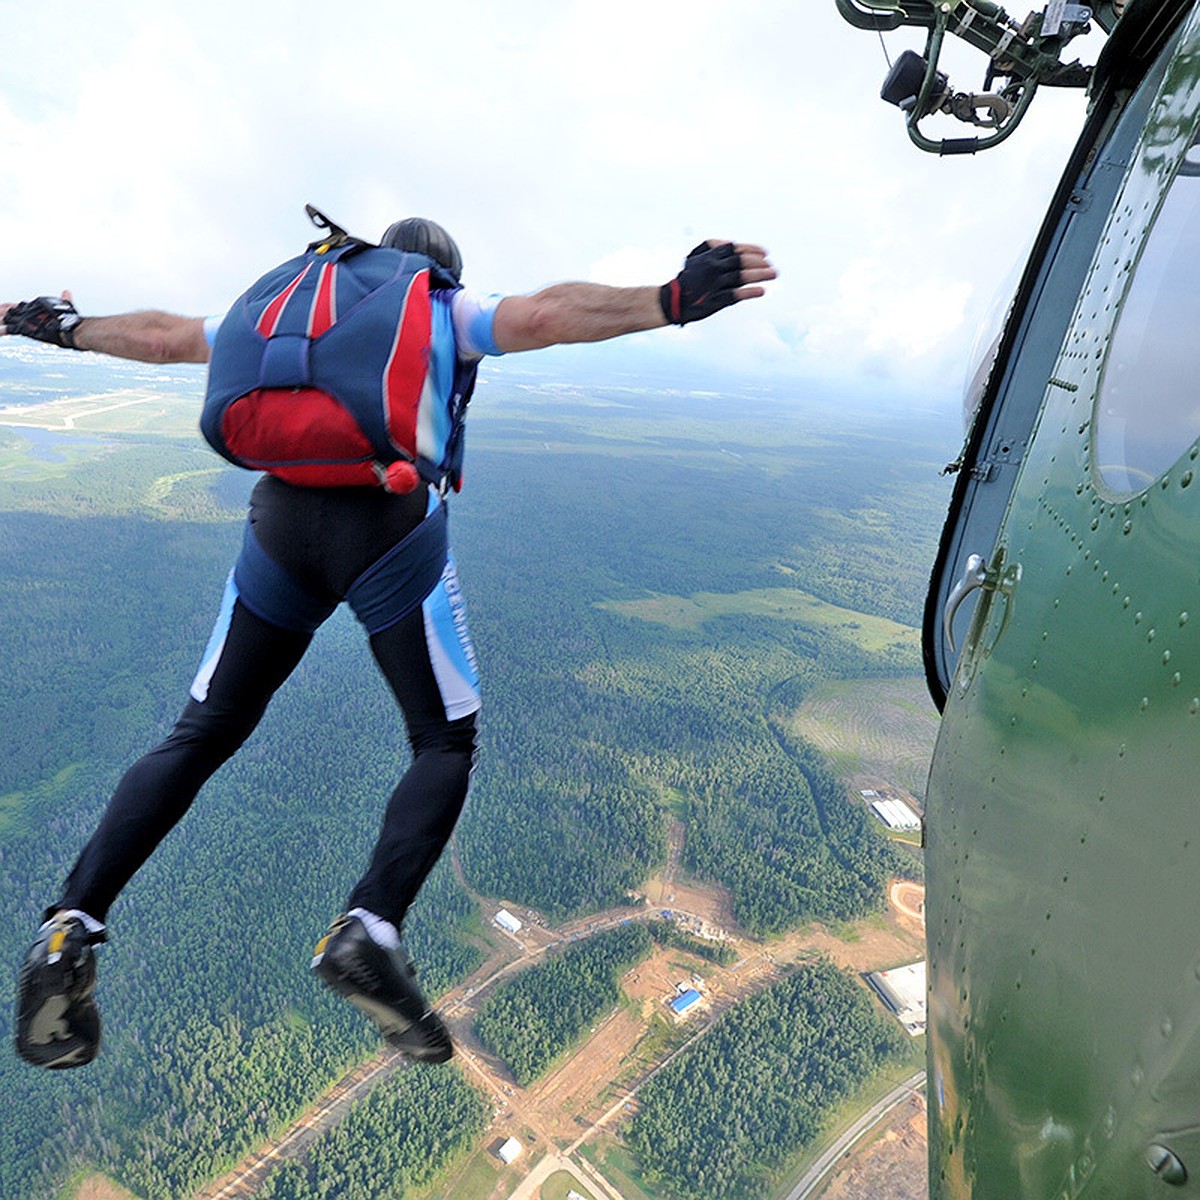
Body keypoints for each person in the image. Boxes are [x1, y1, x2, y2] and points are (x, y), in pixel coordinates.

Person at [3, 215, 776, 1070]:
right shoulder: (440, 303)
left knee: (200, 732)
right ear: (439, 269)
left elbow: (159, 338)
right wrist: (669, 300)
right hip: (392, 530)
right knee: (443, 737)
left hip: (279, 527)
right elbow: (552, 315)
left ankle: (69, 926)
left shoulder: (289, 309)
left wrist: (59, 326)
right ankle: (369, 926)